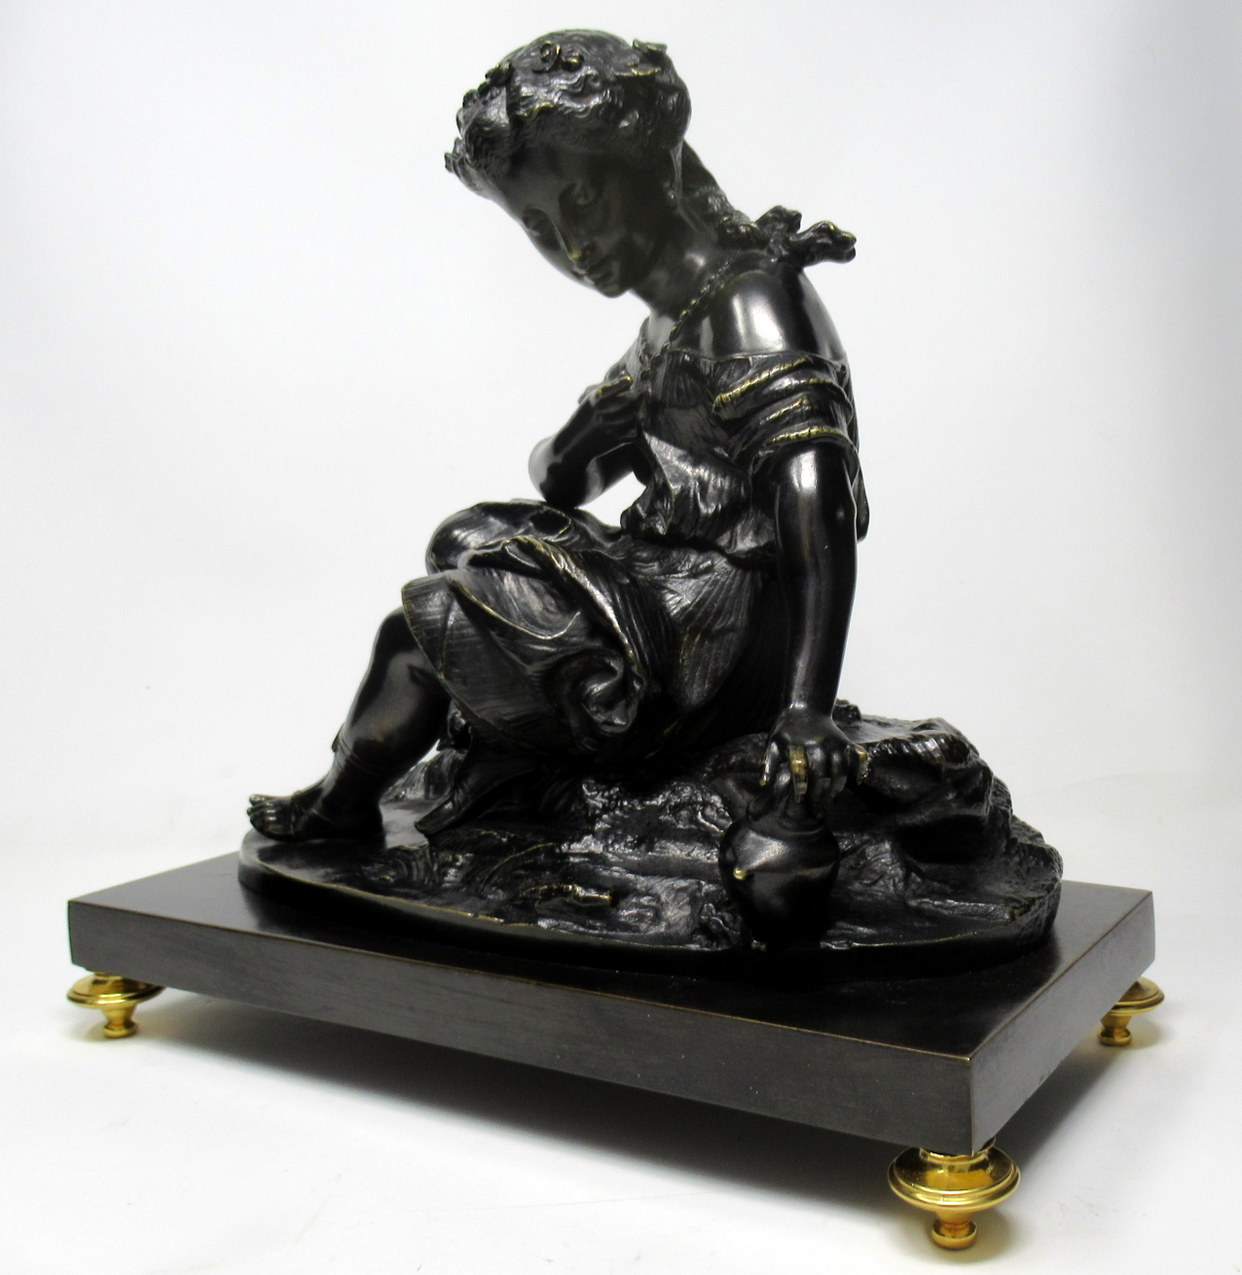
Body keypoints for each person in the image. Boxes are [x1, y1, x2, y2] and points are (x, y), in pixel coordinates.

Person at [248, 30, 869, 845]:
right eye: (540, 227)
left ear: (657, 164)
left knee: (414, 635)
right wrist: (588, 430)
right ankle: (497, 712)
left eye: (584, 200)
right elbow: (562, 483)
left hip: (712, 640)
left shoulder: (750, 307)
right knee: (463, 537)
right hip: (668, 585)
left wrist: (806, 709)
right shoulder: (670, 321)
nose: (574, 247)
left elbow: (818, 506)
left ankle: (341, 802)